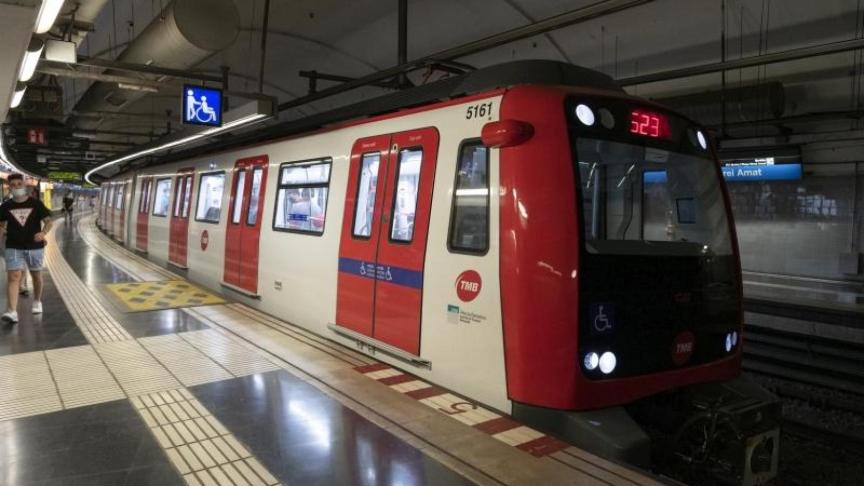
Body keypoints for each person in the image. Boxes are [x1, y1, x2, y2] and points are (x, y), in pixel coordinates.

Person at [0, 174, 52, 323]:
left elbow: (49, 222)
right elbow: (1, 224)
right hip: (13, 245)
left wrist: (43, 233)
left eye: (19, 184)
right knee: (13, 276)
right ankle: (12, 311)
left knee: (36, 275)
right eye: (13, 184)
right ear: (9, 187)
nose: (16, 187)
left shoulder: (36, 204)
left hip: (34, 246)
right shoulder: (6, 206)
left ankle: (37, 301)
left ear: (24, 185)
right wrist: (2, 230)